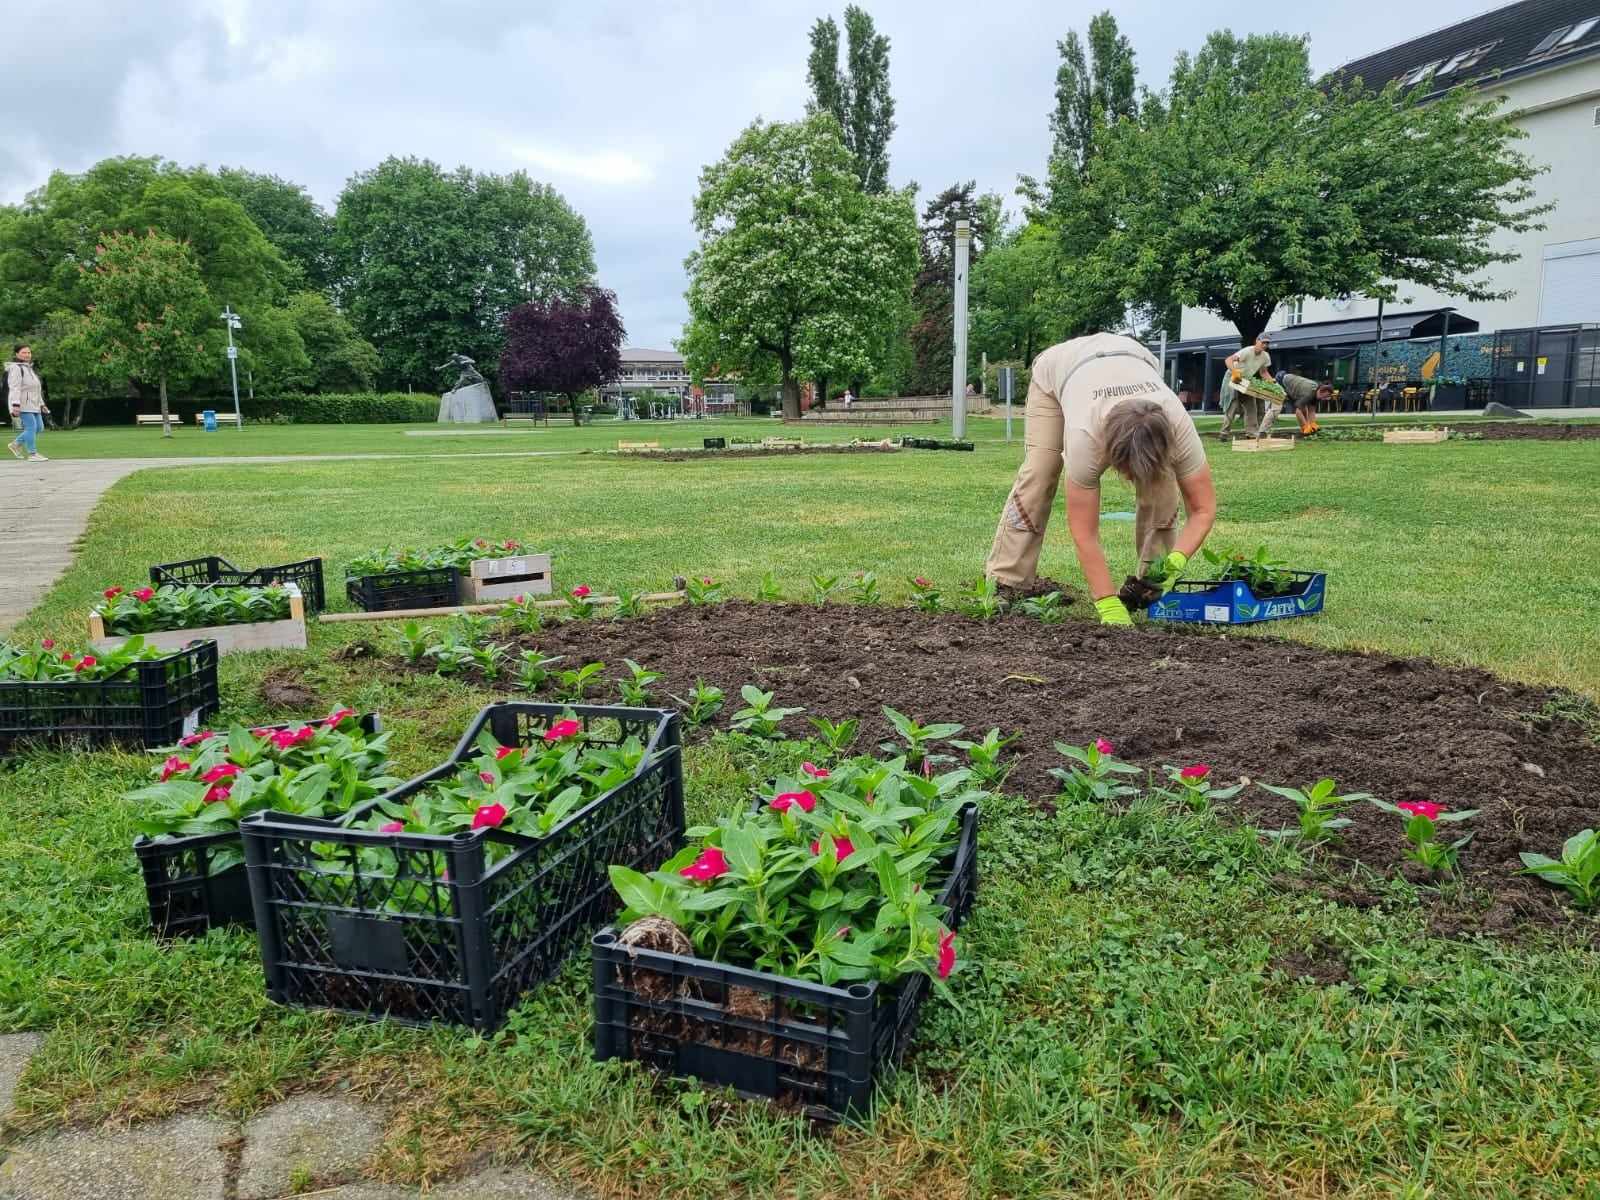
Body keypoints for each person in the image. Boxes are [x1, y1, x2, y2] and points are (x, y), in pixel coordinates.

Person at [986, 332, 1218, 626]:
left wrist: (1176, 560)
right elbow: (1084, 531)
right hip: (1060, 370)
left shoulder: (1179, 427)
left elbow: (1203, 509)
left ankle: (1150, 584)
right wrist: (1106, 602)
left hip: (1131, 356)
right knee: (1041, 472)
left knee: (1162, 481)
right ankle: (1007, 580)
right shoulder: (1086, 438)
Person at [1217, 334, 1274, 440]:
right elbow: (1228, 360)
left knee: (1251, 406)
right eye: (1263, 342)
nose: (1265, 345)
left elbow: (1263, 372)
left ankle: (1251, 433)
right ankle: (1224, 433)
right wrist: (1235, 372)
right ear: (1257, 341)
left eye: (1267, 343)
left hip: (1246, 380)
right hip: (1233, 377)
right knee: (1232, 406)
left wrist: (1272, 382)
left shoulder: (1265, 356)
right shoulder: (1247, 351)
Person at [4, 345, 49, 462]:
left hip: (34, 404)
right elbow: (14, 388)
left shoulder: (29, 368)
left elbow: (36, 389)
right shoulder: (16, 368)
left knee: (39, 427)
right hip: (22, 404)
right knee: (31, 427)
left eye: (29, 352)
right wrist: (15, 405)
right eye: (24, 352)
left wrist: (42, 404)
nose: (27, 355)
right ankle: (32, 454)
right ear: (17, 354)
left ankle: (15, 444)